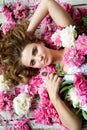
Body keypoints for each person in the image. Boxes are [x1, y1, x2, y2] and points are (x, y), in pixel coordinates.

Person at [0, 0, 82, 130]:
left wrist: (28, 33)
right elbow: (75, 126)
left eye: (35, 51)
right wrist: (54, 98)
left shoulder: (70, 38)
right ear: (34, 68)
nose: (39, 58)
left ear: (39, 42)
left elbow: (47, 3)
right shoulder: (57, 80)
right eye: (33, 62)